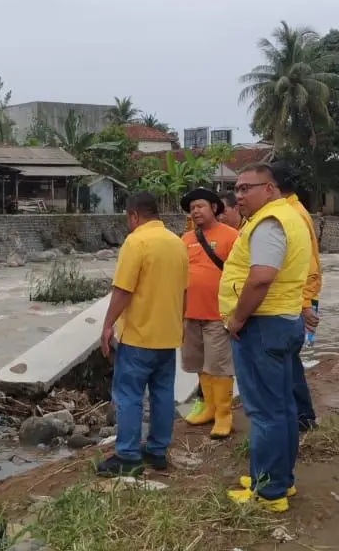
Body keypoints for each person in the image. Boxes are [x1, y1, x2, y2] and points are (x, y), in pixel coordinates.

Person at [220, 162, 312, 512]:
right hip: (283, 320)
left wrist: (237, 319)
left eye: (247, 188)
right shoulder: (291, 216)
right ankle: (279, 479)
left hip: (262, 325)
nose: (239, 195)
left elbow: (260, 278)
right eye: (237, 189)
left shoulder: (269, 223)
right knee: (282, 407)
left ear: (269, 189)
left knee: (264, 412)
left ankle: (269, 491)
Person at [97, 191, 189, 477]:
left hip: (139, 335)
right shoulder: (177, 242)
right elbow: (184, 291)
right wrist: (180, 323)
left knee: (129, 395)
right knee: (162, 394)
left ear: (134, 215)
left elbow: (123, 289)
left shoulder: (136, 241)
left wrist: (107, 325)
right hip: (168, 335)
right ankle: (157, 451)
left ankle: (127, 455)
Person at [179, 187, 239, 439]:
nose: (195, 211)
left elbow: (241, 275)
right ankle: (209, 408)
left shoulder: (232, 236)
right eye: (192, 208)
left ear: (214, 208)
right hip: (190, 313)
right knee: (199, 363)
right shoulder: (185, 239)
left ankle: (224, 414)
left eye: (200, 206)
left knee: (220, 365)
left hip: (218, 315)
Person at [272, 162, 322, 433]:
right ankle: (299, 415)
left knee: (288, 360)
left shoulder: (291, 214)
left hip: (297, 299)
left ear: (272, 187)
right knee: (288, 360)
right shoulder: (293, 210)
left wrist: (305, 304)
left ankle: (302, 416)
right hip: (298, 298)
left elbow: (307, 265)